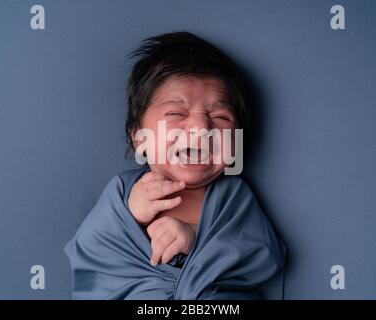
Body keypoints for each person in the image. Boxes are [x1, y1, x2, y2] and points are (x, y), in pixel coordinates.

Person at [64, 31, 286, 299]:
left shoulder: (232, 196)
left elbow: (262, 252)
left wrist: (194, 237)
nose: (201, 128)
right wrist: (132, 215)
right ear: (139, 138)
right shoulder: (126, 190)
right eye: (176, 113)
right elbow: (90, 249)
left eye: (220, 116)